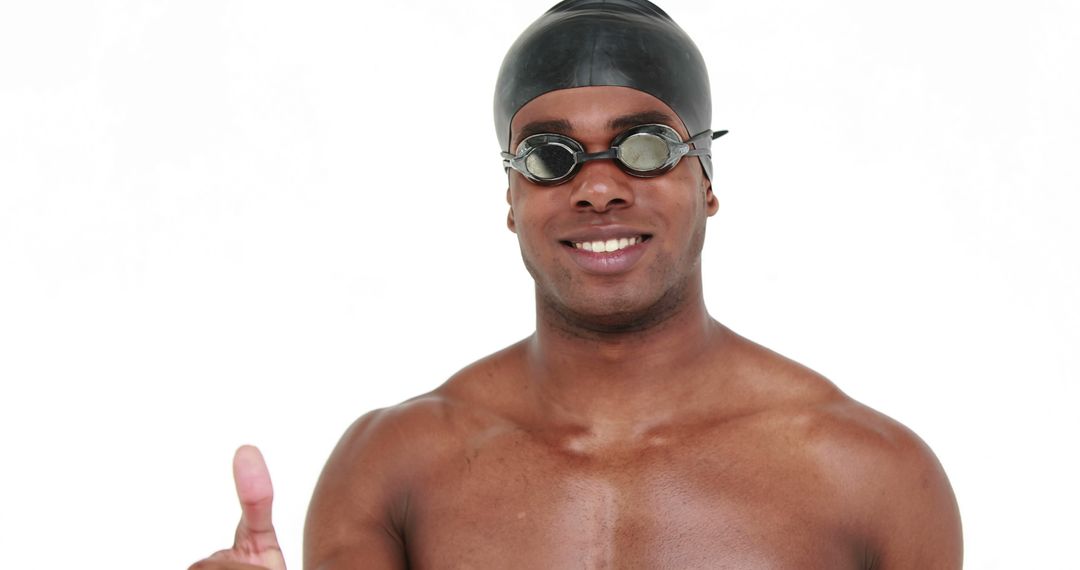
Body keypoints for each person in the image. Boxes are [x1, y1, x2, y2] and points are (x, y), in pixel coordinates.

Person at [190, 1, 962, 568]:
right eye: (551, 156)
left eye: (646, 149)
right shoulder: (394, 469)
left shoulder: (872, 476)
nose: (597, 189)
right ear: (511, 200)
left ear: (708, 180)